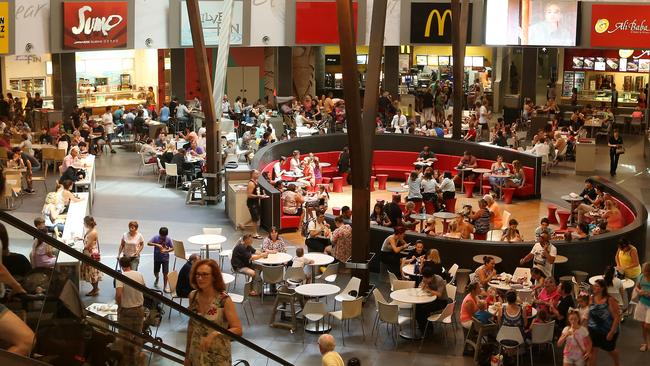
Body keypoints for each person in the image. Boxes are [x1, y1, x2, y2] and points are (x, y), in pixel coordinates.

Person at [185, 259, 242, 366]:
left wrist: (216, 334)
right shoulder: (193, 296)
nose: (200, 278)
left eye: (205, 274)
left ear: (214, 277)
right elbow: (191, 327)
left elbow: (238, 329)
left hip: (218, 356)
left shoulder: (224, 300)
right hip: (197, 353)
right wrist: (187, 356)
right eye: (197, 274)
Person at [115, 256, 145, 366]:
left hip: (126, 311)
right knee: (137, 335)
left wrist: (120, 306)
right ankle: (138, 359)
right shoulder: (139, 274)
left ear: (121, 265)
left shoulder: (121, 276)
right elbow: (144, 289)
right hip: (139, 309)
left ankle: (126, 361)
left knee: (124, 337)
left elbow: (119, 294)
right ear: (131, 264)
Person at [588, 279, 621, 366]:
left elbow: (617, 317)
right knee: (593, 350)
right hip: (593, 329)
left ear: (602, 288)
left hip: (608, 330)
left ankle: (617, 363)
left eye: (597, 286)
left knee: (610, 351)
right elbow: (589, 313)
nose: (594, 287)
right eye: (594, 286)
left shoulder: (609, 300)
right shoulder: (591, 297)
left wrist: (611, 332)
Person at [415, 265, 449, 332]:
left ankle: (428, 330)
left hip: (441, 301)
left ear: (432, 276)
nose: (425, 279)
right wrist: (422, 285)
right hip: (431, 299)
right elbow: (421, 287)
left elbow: (439, 294)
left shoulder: (439, 280)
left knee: (423, 309)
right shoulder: (425, 277)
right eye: (424, 277)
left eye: (427, 278)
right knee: (417, 306)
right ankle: (422, 326)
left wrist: (428, 289)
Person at [237, 170, 268, 239]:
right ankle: (254, 234)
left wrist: (262, 195)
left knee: (256, 217)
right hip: (252, 203)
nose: (258, 174)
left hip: (256, 202)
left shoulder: (256, 182)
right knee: (255, 219)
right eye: (256, 173)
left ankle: (243, 224)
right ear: (252, 174)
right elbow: (249, 195)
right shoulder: (251, 183)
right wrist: (259, 196)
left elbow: (257, 192)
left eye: (258, 173)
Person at [147, 227, 174, 292]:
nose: (162, 237)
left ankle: (165, 287)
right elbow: (148, 243)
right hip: (157, 258)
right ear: (159, 234)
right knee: (156, 272)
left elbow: (173, 248)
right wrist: (156, 244)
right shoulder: (156, 237)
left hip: (165, 259)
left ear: (166, 235)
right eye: (161, 236)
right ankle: (157, 277)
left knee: (165, 273)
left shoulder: (168, 239)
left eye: (164, 236)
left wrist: (166, 251)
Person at [81, 216, 102, 297]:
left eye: (84, 222)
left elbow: (87, 245)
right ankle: (95, 289)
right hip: (88, 254)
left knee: (92, 273)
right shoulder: (90, 230)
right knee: (91, 273)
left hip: (90, 255)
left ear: (87, 223)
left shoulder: (93, 232)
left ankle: (95, 289)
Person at [634, 262, 650, 352]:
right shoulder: (640, 277)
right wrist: (639, 291)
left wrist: (648, 293)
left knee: (647, 326)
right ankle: (646, 343)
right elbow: (637, 287)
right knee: (643, 326)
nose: (644, 273)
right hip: (642, 303)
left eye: (646, 272)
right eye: (643, 271)